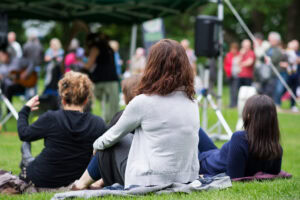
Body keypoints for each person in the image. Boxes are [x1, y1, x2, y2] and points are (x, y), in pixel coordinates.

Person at [72, 39, 200, 190]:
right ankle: (94, 182)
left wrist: (96, 145)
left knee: (109, 142)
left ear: (153, 65)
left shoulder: (143, 102)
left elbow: (111, 137)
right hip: (186, 178)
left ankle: (80, 184)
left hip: (151, 178)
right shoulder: (192, 103)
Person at [17, 71, 107, 188]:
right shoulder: (98, 123)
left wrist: (24, 110)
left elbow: (24, 134)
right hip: (76, 180)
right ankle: (27, 158)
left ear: (62, 99)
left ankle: (27, 158)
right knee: (30, 159)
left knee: (28, 155)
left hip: (41, 179)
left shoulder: (51, 118)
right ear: (86, 100)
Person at [198, 94, 282, 179]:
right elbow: (273, 174)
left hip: (204, 163)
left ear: (249, 116)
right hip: (214, 155)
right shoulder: (276, 148)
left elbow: (234, 177)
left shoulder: (240, 139)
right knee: (195, 127)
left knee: (191, 127)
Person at [83, 33, 119, 122]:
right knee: (113, 107)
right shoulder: (109, 49)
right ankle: (111, 124)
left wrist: (79, 65)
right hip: (112, 79)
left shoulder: (96, 48)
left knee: (94, 102)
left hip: (100, 80)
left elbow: (88, 65)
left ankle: (97, 122)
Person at [224, 42, 240, 108]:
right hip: (230, 75)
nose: (233, 51)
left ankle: (235, 104)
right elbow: (226, 65)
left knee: (235, 90)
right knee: (231, 90)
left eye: (235, 49)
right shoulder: (228, 55)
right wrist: (227, 72)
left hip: (237, 75)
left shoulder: (239, 55)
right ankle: (232, 104)